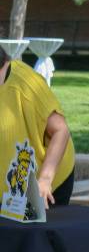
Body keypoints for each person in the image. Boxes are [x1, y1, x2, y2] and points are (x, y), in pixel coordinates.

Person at [0, 49, 75, 211]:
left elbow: (60, 131)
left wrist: (45, 180)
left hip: (48, 183)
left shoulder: (26, 82)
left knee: (37, 235)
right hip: (10, 193)